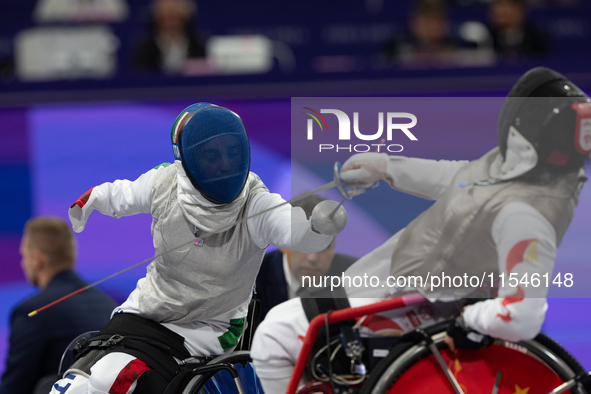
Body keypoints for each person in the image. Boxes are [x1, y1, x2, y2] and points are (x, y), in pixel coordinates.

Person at [250, 67, 590, 393]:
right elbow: (462, 179)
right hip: (400, 285)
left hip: (420, 303)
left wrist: (471, 319)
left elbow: (522, 314)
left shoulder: (526, 214)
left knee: (274, 337)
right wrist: (385, 167)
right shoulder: (526, 175)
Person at [49, 103, 345, 393]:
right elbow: (122, 193)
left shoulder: (257, 204)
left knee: (111, 377)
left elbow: (294, 230)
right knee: (79, 381)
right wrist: (89, 201)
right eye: (211, 155)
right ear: (187, 159)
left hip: (208, 328)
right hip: (146, 309)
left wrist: (318, 228)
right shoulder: (165, 182)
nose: (225, 164)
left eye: (232, 152)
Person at [0, 217, 117, 394]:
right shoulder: (108, 304)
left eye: (23, 255)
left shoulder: (32, 312)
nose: (22, 263)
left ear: (37, 258)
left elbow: (13, 388)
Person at [255, 195, 357, 321]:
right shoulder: (252, 279)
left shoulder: (354, 277)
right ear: (283, 243)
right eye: (303, 245)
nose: (312, 258)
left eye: (324, 246)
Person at [131, 0, 206, 74]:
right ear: (158, 19)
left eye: (175, 17)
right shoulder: (144, 47)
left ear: (184, 18)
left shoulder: (197, 44)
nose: (171, 23)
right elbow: (141, 73)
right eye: (167, 18)